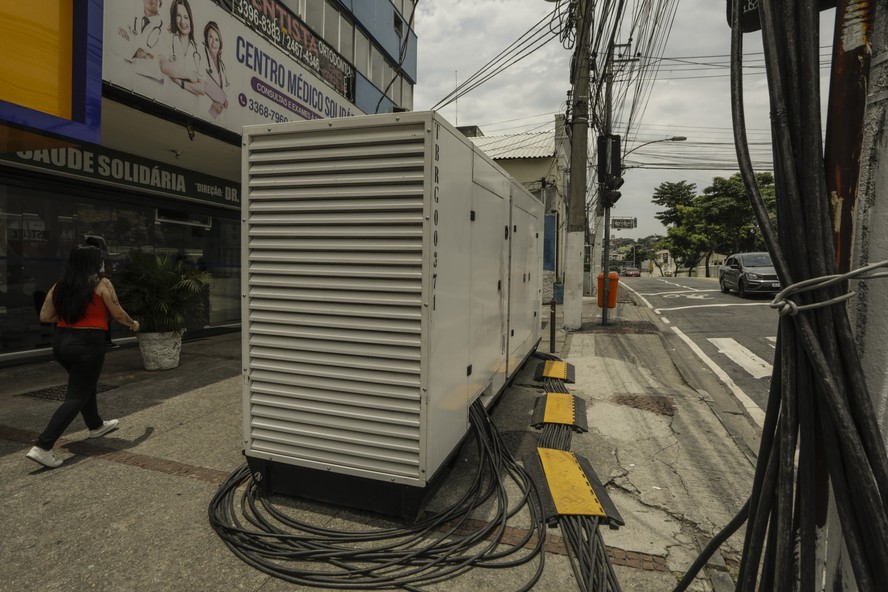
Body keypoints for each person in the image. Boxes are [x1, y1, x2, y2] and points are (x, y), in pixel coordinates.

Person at [26, 246, 141, 469]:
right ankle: (43, 446)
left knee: (84, 384)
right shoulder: (102, 283)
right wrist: (133, 323)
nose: (102, 264)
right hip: (88, 343)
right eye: (100, 260)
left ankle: (96, 425)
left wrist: (73, 312)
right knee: (76, 394)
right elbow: (117, 313)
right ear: (93, 263)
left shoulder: (59, 285)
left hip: (61, 343)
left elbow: (45, 315)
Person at [159, 0, 205, 112]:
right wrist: (189, 75)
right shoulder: (168, 37)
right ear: (174, 17)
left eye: (186, 16)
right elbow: (164, 66)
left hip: (190, 112)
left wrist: (180, 81)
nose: (183, 21)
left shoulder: (199, 50)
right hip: (167, 105)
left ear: (190, 19)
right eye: (178, 16)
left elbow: (202, 88)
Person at [202, 21, 229, 121]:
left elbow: (225, 89)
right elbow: (197, 86)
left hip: (217, 119)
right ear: (206, 38)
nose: (214, 43)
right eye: (211, 37)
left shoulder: (222, 65)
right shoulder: (201, 58)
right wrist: (211, 104)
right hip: (202, 113)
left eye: (217, 39)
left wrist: (224, 100)